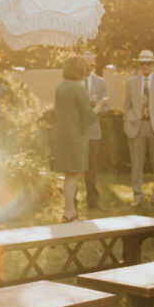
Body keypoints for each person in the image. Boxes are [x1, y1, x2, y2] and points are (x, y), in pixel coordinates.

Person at [54, 55, 103, 222]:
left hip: (63, 137)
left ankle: (70, 212)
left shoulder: (60, 87)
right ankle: (69, 213)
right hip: (76, 138)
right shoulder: (78, 88)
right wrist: (99, 106)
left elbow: (68, 110)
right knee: (73, 176)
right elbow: (88, 117)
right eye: (84, 66)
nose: (86, 69)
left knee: (69, 176)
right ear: (78, 69)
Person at [123, 50, 154, 208]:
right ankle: (137, 195)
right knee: (136, 164)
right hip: (137, 127)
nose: (145, 66)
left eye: (148, 63)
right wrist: (130, 119)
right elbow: (127, 106)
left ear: (153, 64)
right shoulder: (131, 82)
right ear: (138, 64)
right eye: (142, 63)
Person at [82, 52, 109, 209]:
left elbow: (107, 107)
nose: (89, 68)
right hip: (78, 131)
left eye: (92, 65)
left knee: (91, 169)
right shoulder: (75, 81)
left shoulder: (100, 82)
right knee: (76, 169)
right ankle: (73, 202)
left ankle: (92, 201)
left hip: (93, 132)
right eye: (86, 64)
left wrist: (97, 105)